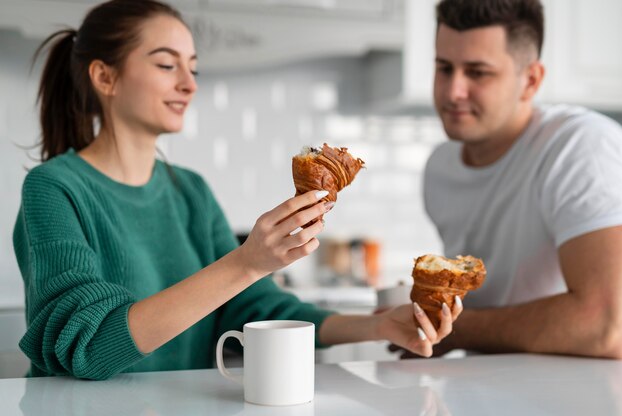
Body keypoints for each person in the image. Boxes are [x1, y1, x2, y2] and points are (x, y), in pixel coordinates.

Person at [12, 0, 462, 380]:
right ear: (104, 78)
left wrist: (377, 327)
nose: (189, 84)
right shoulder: (54, 189)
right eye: (167, 65)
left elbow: (251, 308)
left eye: (193, 68)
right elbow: (88, 346)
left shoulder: (189, 191)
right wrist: (247, 262)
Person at [419, 0, 622, 358]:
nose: (454, 91)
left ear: (530, 81)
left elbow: (609, 327)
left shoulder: (577, 145)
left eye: (478, 72)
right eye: (444, 67)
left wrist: (450, 330)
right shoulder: (439, 167)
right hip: (481, 390)